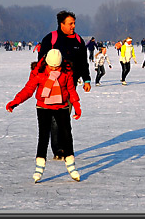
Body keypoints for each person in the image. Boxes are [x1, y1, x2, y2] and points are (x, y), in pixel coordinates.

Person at [6, 49, 82, 182]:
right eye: (51, 66)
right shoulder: (39, 73)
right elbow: (28, 90)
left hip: (62, 106)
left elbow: (71, 90)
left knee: (66, 135)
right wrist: (15, 102)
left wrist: (76, 106)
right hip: (43, 107)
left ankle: (71, 165)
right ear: (46, 63)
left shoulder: (66, 72)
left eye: (57, 66)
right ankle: (39, 167)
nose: (54, 68)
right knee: (43, 136)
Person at [37, 10, 90, 161]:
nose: (73, 26)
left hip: (70, 85)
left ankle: (63, 146)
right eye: (70, 24)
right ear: (62, 24)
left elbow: (83, 62)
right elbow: (41, 61)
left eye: (74, 23)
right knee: (55, 119)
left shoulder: (78, 40)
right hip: (52, 85)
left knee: (64, 117)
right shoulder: (51, 39)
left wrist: (86, 80)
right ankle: (58, 149)